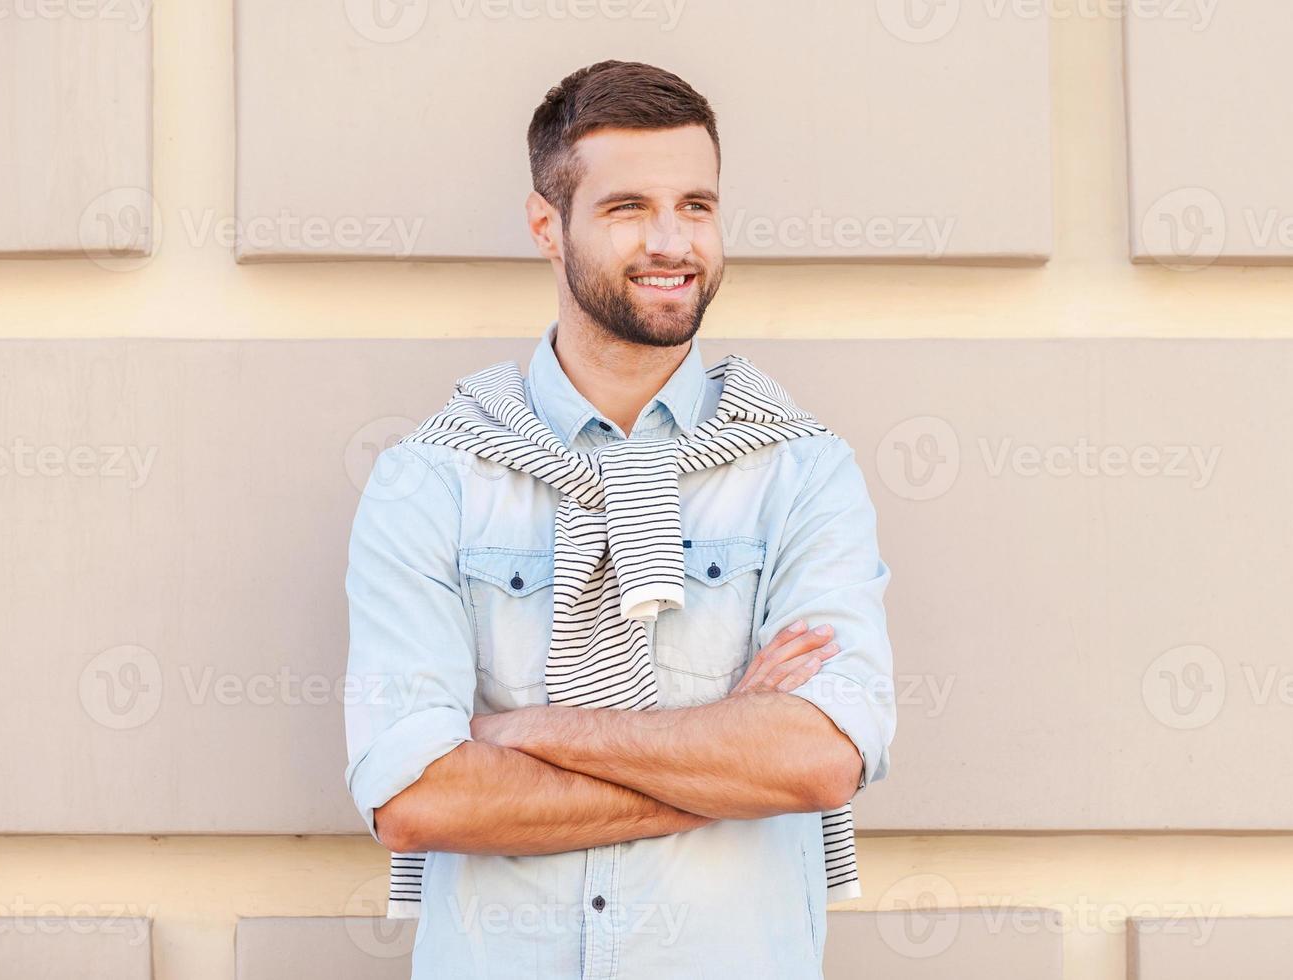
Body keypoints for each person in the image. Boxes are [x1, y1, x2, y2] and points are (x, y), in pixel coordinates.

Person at [343, 59, 896, 979]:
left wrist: (528, 734)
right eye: (627, 207)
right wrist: (723, 757)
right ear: (544, 226)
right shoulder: (433, 478)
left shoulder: (798, 470)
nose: (672, 242)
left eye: (697, 205)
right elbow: (417, 796)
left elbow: (818, 759)